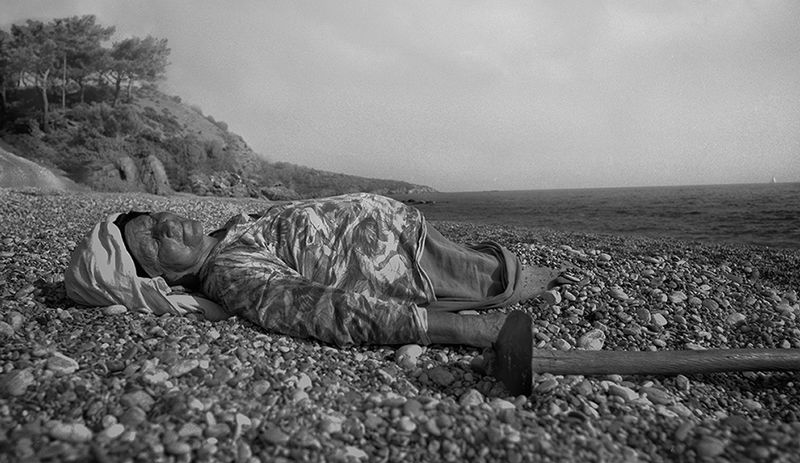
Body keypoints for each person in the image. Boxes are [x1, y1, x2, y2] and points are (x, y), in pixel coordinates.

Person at [66, 193, 579, 348]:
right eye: (158, 241)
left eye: (155, 219)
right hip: (404, 264)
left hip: (404, 236)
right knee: (501, 279)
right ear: (166, 280)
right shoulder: (230, 274)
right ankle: (538, 282)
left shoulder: (227, 236)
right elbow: (323, 311)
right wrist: (464, 330)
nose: (170, 224)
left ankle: (540, 276)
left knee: (498, 266)